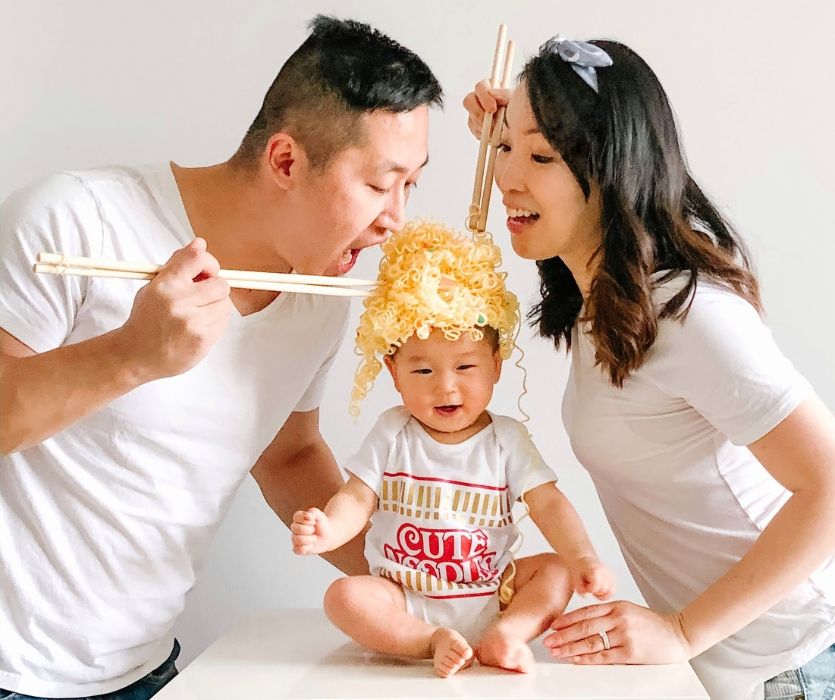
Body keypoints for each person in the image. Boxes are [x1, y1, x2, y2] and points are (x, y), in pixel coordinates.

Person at [0, 16, 442, 700]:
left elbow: (288, 454)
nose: (396, 220)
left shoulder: (319, 293)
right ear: (286, 160)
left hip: (144, 672)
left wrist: (418, 584)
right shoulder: (74, 218)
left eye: (411, 185)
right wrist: (133, 355)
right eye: (381, 184)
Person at [462, 35, 835, 700]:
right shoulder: (599, 299)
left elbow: (830, 489)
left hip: (798, 660)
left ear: (610, 169)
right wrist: (516, 129)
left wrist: (685, 631)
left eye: (541, 155)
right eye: (503, 149)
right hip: (738, 670)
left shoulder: (691, 316)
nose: (507, 178)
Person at [290, 221, 615, 678]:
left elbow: (549, 504)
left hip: (493, 594)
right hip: (404, 595)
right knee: (344, 597)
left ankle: (508, 635)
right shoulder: (393, 432)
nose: (446, 387)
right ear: (393, 371)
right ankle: (429, 641)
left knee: (555, 571)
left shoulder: (505, 439)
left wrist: (584, 557)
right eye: (422, 372)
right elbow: (357, 499)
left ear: (495, 367)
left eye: (465, 366)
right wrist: (328, 528)